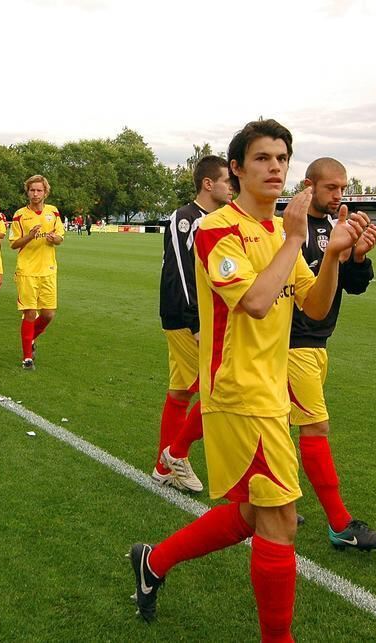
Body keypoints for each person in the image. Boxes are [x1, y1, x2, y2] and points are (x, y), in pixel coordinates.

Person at [129, 119, 370, 641]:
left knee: (247, 514)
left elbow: (315, 303)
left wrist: (330, 256)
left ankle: (153, 561)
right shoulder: (219, 229)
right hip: (237, 392)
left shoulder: (276, 233)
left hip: (269, 389)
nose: (276, 167)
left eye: (282, 158)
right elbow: (258, 304)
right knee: (280, 520)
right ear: (236, 169)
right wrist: (299, 239)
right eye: (262, 158)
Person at [288, 157, 376, 552]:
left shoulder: (336, 226)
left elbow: (354, 286)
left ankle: (267, 499)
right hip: (293, 343)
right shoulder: (291, 226)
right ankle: (340, 523)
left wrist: (359, 257)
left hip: (318, 341)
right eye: (332, 187)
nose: (339, 196)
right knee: (315, 427)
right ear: (309, 185)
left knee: (275, 424)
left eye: (343, 188)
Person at [151, 155, 232, 493]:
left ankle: (163, 465)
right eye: (227, 181)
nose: (232, 187)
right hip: (185, 318)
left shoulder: (221, 219)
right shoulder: (185, 219)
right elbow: (182, 274)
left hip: (203, 317)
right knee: (218, 387)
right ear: (208, 183)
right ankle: (176, 455)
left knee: (181, 390)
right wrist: (196, 322)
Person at [9, 175, 65, 369]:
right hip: (27, 271)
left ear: (45, 192)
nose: (35, 193)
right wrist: (29, 236)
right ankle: (27, 358)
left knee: (48, 314)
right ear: (28, 191)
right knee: (30, 313)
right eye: (32, 190)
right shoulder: (19, 215)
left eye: (39, 190)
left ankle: (30, 338)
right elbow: (14, 244)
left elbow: (60, 238)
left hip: (48, 270)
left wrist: (53, 238)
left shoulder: (53, 212)